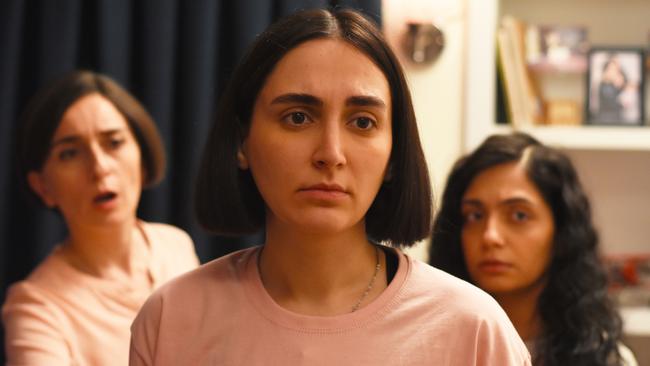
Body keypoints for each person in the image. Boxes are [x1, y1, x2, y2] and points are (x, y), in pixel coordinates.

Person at [129, 8, 530, 366]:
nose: (331, 154)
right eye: (298, 117)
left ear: (394, 154)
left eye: (362, 123)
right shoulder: (172, 318)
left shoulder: (471, 328)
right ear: (241, 143)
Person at [2, 70, 200, 365]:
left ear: (142, 157)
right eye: (70, 153)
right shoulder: (35, 307)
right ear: (42, 186)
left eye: (114, 143)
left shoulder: (175, 244)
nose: (100, 167)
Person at [429, 132, 637, 366]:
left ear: (561, 231)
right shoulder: (426, 347)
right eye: (475, 216)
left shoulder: (605, 359)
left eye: (519, 215)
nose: (490, 236)